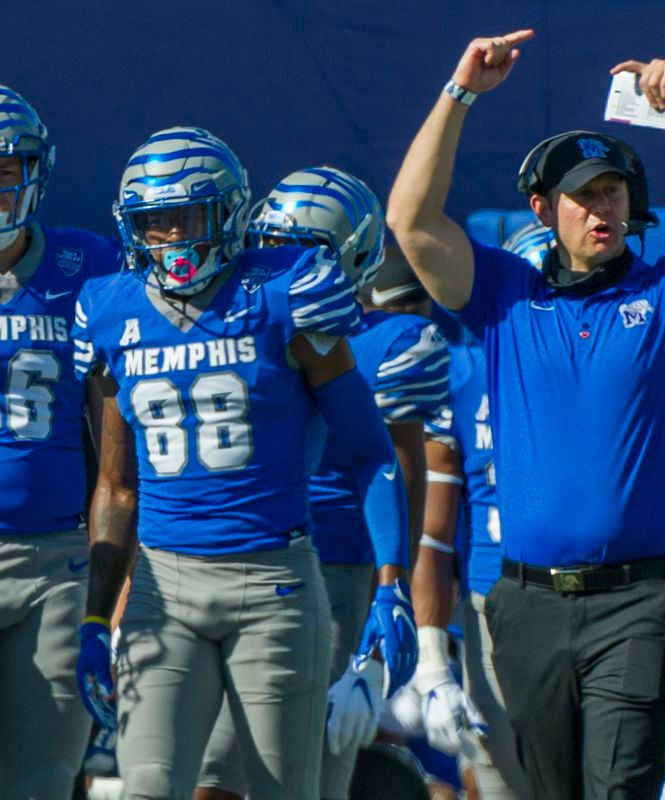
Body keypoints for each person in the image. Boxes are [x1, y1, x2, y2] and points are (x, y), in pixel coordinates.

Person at [386, 29, 665, 798]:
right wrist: (461, 92)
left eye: (611, 191)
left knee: (618, 789)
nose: (600, 207)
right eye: (581, 194)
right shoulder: (504, 295)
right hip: (525, 603)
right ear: (544, 208)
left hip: (644, 601)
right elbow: (411, 220)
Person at [71, 128, 417, 799]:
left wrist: (391, 587)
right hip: (161, 590)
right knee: (147, 788)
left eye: (188, 217)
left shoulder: (288, 290)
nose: (171, 238)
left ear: (230, 213)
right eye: (154, 222)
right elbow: (116, 488)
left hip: (273, 585)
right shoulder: (109, 309)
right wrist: (94, 618)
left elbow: (373, 452)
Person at [192, 169, 443, 800]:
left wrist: (393, 599)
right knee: (211, 769)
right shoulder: (236, 320)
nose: (278, 263)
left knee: (306, 767)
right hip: (229, 555)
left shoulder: (392, 340)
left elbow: (399, 467)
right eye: (270, 244)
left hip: (334, 569)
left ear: (349, 259)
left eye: (298, 248)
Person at [0, 84, 119, 798]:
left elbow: (118, 440)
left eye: (3, 168)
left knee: (40, 783)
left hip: (56, 564)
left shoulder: (86, 268)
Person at [412, 232, 534, 798]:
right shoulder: (459, 372)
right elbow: (433, 536)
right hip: (494, 602)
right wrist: (433, 661)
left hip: (599, 601)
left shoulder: (611, 364)